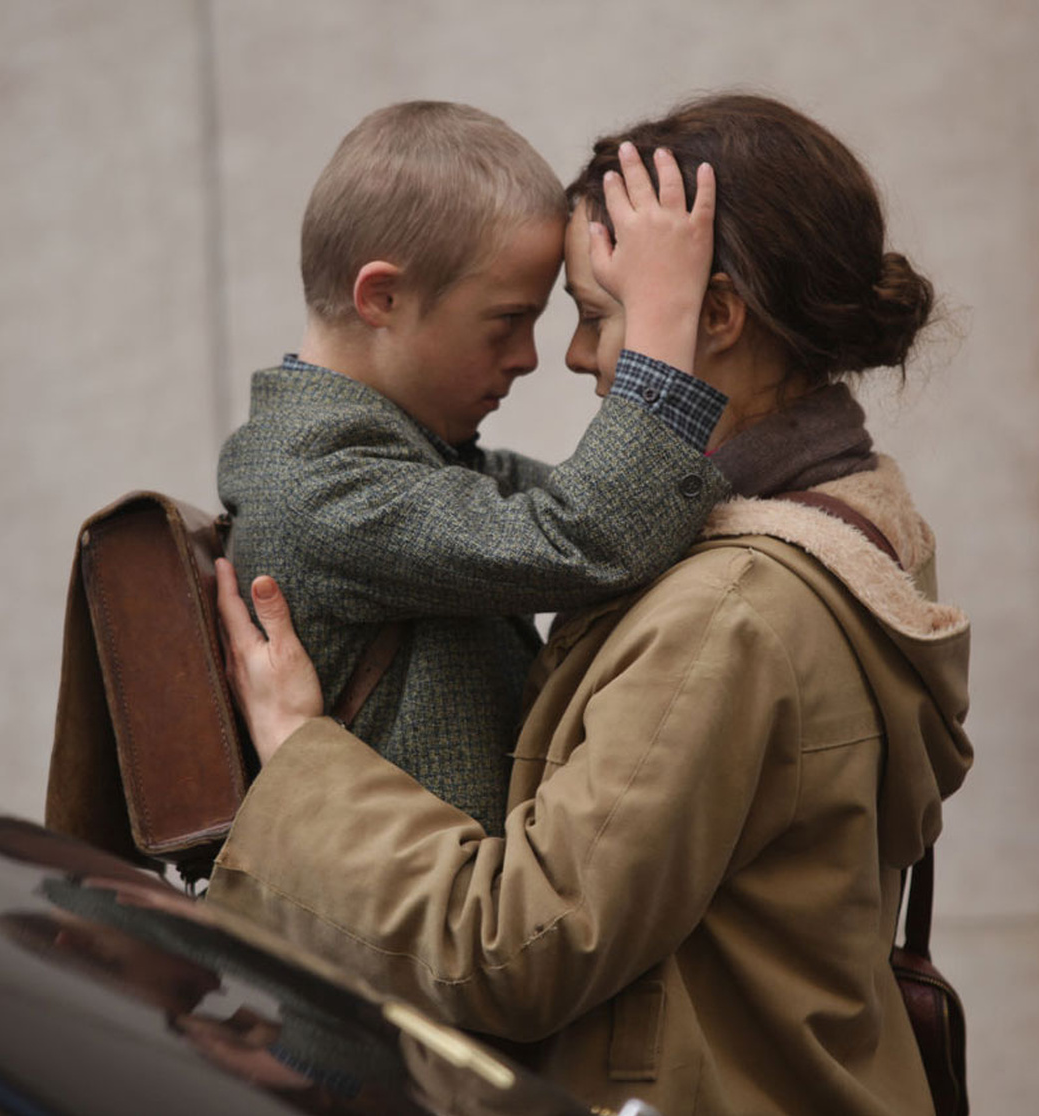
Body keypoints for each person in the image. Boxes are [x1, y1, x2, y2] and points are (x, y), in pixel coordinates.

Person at [206, 93, 975, 1116]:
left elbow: (518, 943)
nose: (561, 358)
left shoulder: (729, 612)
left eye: (598, 316)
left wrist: (299, 757)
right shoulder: (843, 518)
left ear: (713, 317)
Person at [216, 101, 731, 837]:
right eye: (506, 321)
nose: (527, 357)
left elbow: (594, 504)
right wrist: (661, 322)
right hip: (388, 943)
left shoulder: (391, 456)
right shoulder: (322, 485)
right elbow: (585, 536)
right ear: (382, 298)